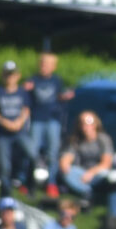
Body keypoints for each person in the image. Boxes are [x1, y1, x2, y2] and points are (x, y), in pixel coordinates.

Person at [25, 52, 73, 198]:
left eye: (47, 64)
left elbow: (60, 96)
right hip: (37, 119)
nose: (44, 67)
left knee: (52, 152)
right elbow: (25, 99)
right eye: (42, 63)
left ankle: (51, 182)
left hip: (53, 120)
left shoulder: (57, 81)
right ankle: (29, 181)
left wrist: (65, 97)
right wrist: (25, 89)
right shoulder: (32, 80)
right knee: (31, 152)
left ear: (53, 67)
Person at [0, 60, 38, 196]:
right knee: (4, 166)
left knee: (33, 155)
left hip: (20, 132)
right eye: (7, 74)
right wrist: (5, 122)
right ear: (2, 75)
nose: (9, 77)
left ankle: (30, 184)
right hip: (3, 134)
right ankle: (6, 194)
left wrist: (19, 122)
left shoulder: (22, 92)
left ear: (18, 75)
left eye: (12, 74)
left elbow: (26, 109)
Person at [58, 111, 114, 199]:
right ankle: (88, 192)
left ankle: (88, 193)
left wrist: (91, 173)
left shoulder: (103, 139)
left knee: (107, 175)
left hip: (98, 173)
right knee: (67, 173)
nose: (86, 127)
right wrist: (65, 164)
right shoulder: (76, 140)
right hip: (81, 173)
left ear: (96, 124)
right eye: (83, 123)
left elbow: (106, 163)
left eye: (89, 123)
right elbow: (67, 158)